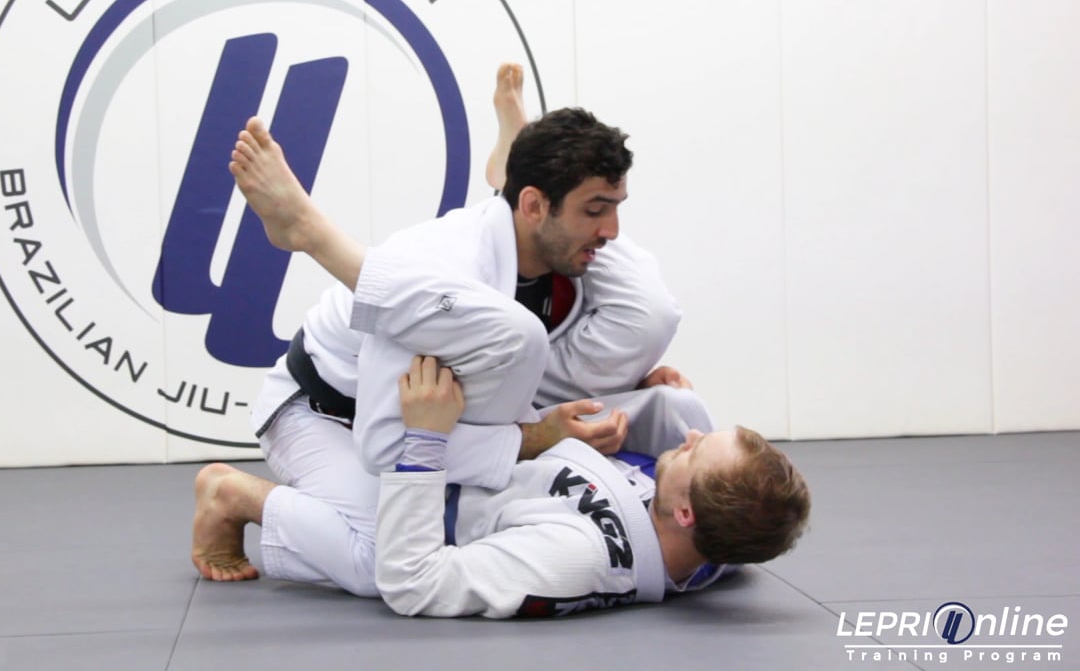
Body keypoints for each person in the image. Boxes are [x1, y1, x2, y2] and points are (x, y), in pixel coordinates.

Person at [192, 65, 692, 594]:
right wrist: (533, 439)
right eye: (595, 210)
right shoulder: (445, 262)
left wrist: (627, 379)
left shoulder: (568, 258)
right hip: (330, 414)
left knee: (648, 315)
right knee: (379, 560)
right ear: (533, 206)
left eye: (615, 208)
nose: (612, 232)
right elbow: (386, 445)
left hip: (461, 403)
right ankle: (231, 494)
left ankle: (508, 173)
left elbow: (644, 312)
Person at [373, 356, 810, 618]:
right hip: (487, 448)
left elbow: (414, 582)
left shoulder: (577, 558)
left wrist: (425, 440)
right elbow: (745, 525)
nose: (691, 437)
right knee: (681, 403)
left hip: (410, 502)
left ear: (685, 513)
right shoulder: (708, 538)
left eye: (696, 453)